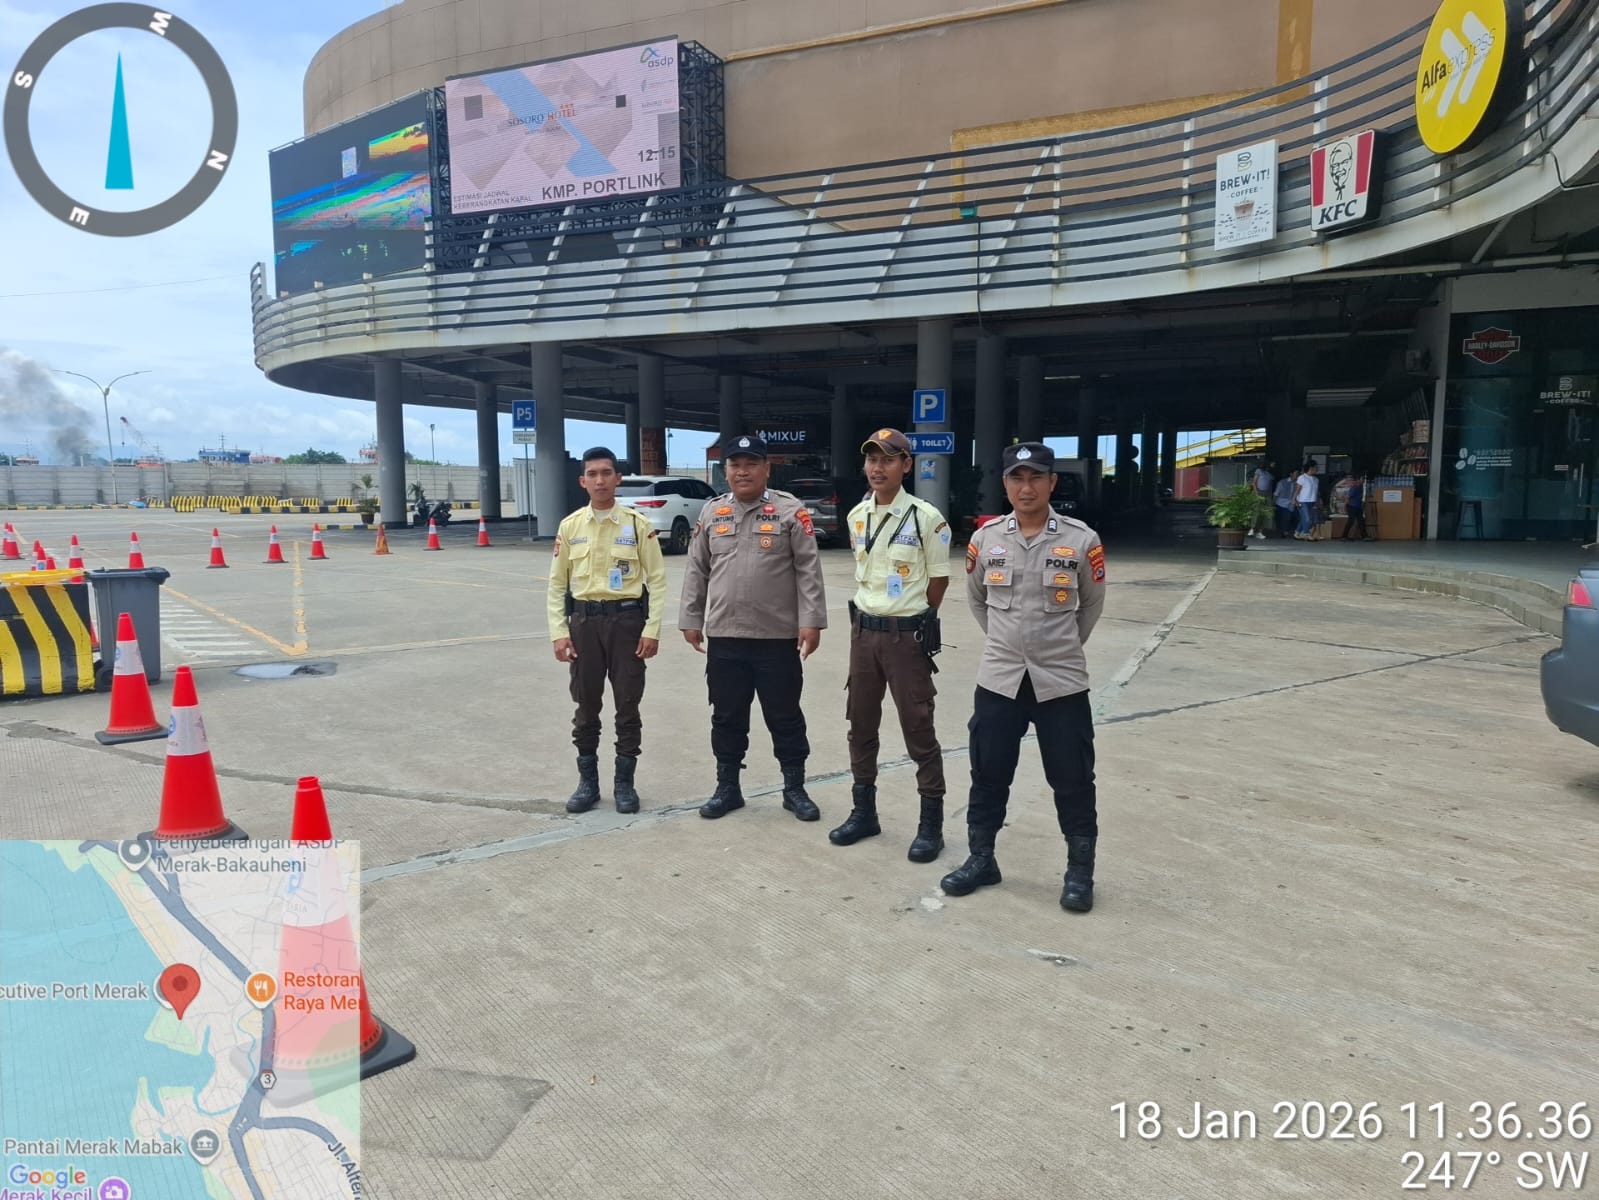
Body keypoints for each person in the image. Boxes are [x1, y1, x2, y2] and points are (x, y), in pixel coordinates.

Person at [943, 442, 1107, 913]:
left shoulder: (1081, 540)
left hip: (1061, 682)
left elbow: (1091, 605)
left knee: (1073, 778)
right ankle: (981, 859)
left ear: (1052, 482)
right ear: (1005, 484)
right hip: (1000, 679)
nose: (1026, 487)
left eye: (1036, 477)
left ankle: (1079, 873)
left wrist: (1057, 647)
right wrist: (1008, 643)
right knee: (988, 773)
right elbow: (977, 600)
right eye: (1017, 478)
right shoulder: (986, 539)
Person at [679, 435, 829, 821]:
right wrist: (691, 618)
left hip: (776, 638)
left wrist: (811, 621)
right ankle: (727, 788)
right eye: (735, 465)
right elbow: (697, 569)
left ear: (766, 469)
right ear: (725, 470)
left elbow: (808, 570)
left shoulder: (790, 511)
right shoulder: (713, 512)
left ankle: (794, 789)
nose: (742, 472)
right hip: (725, 636)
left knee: (785, 715)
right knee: (726, 716)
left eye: (750, 464)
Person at [829, 428, 953, 863]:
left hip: (905, 637)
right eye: (871, 460)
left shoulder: (926, 518)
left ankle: (930, 825)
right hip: (863, 634)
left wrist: (913, 618)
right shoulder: (857, 515)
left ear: (906, 465)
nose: (877, 468)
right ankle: (864, 813)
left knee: (918, 727)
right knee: (860, 724)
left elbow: (938, 582)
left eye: (887, 459)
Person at [546, 447, 668, 814]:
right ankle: (588, 783)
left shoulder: (637, 525)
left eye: (606, 473)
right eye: (593, 474)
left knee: (628, 703)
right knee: (586, 705)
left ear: (618, 479)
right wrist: (559, 632)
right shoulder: (570, 527)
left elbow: (657, 580)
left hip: (626, 624)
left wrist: (652, 629)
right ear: (583, 481)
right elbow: (557, 585)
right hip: (584, 625)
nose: (600, 480)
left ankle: (624, 784)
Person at [1293, 461, 1321, 540]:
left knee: (1304, 519)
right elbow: (1297, 490)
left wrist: (1317, 502)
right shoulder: (1302, 477)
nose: (1317, 469)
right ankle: (1306, 533)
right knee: (1307, 519)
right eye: (1316, 467)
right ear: (1311, 468)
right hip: (1302, 501)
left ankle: (1297, 532)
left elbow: (1316, 492)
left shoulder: (1316, 479)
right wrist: (1294, 499)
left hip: (1312, 501)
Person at [1250, 461, 1276, 540]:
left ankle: (1260, 531)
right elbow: (1254, 482)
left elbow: (1270, 485)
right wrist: (1256, 493)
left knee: (1265, 513)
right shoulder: (1259, 471)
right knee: (1256, 511)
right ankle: (1252, 528)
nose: (1273, 465)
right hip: (1259, 492)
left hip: (1267, 493)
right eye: (1272, 463)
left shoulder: (1270, 474)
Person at [1342, 470, 1368, 540]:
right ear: (1358, 479)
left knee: (1361, 521)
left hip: (1358, 507)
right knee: (1351, 521)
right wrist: (1344, 507)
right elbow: (1348, 498)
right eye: (1362, 478)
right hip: (1352, 507)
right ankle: (1344, 536)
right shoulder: (1354, 487)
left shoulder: (1361, 487)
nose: (1364, 480)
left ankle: (1364, 536)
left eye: (1364, 478)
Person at [1273, 469, 1297, 538]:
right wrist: (1273, 503)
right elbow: (1276, 493)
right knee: (1285, 517)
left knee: (1292, 516)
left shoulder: (1297, 483)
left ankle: (1287, 531)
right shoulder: (1282, 482)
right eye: (1296, 473)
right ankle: (1284, 531)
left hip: (1292, 503)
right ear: (1291, 474)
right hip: (1282, 503)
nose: (1297, 475)